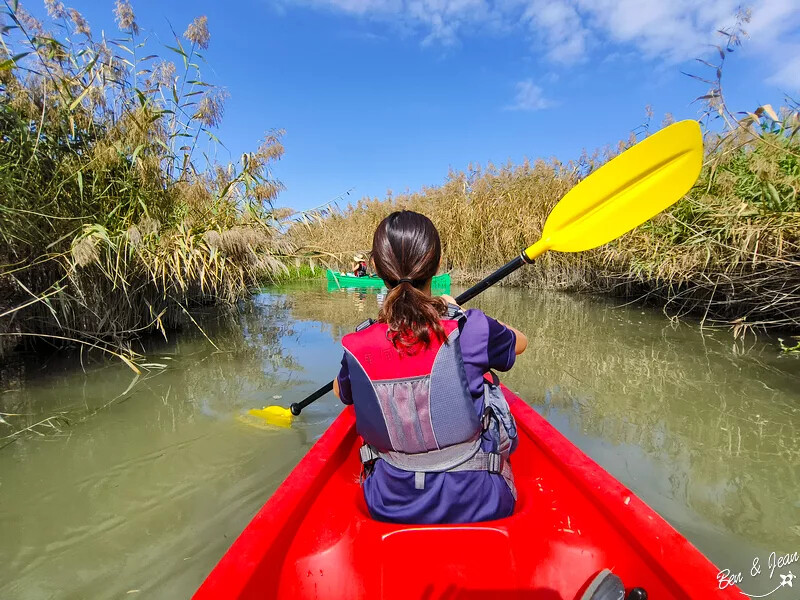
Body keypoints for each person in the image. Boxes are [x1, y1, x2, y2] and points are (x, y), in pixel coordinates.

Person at [333, 210, 528, 524]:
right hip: (481, 503)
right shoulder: (471, 327)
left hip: (388, 506)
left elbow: (341, 392)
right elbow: (520, 342)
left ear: (380, 271)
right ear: (435, 266)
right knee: (490, 382)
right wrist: (458, 311)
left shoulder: (358, 342)